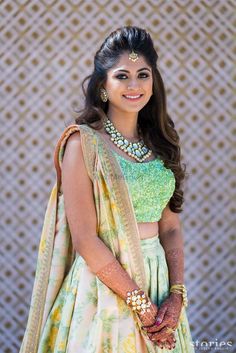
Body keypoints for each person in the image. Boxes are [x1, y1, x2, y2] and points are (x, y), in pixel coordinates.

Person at [20, 26, 195, 353]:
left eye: (143, 75)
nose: (134, 85)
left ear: (153, 83)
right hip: (106, 289)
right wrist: (140, 305)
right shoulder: (83, 144)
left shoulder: (160, 145)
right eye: (122, 76)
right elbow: (86, 239)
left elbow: (170, 226)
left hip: (158, 286)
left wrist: (176, 294)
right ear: (103, 86)